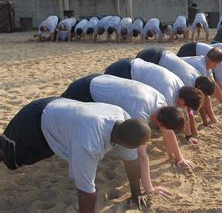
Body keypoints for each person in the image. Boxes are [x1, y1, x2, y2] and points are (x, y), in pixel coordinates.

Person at [0, 97, 151, 211]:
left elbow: (132, 161)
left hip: (59, 109)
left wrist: (136, 193)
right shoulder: (89, 144)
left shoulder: (123, 119)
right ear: (127, 144)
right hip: (34, 118)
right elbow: (86, 190)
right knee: (8, 153)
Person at [61, 74, 193, 188]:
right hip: (85, 90)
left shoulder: (162, 103)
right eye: (163, 128)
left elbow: (168, 133)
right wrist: (149, 188)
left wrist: (179, 158)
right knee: (60, 110)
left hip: (101, 80)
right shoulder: (139, 113)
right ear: (160, 124)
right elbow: (142, 155)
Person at [104, 57, 203, 143]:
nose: (185, 109)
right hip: (122, 70)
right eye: (186, 106)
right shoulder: (167, 94)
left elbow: (185, 113)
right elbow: (166, 128)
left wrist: (189, 135)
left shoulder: (182, 90)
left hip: (134, 64)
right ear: (183, 101)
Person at [136, 47, 217, 125]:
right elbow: (188, 110)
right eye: (203, 95)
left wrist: (205, 121)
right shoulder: (187, 82)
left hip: (163, 52)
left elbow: (190, 107)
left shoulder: (198, 78)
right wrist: (193, 129)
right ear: (199, 88)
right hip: (152, 57)